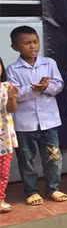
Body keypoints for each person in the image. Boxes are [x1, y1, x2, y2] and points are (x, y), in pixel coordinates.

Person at [7, 26, 67, 205]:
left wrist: (47, 87)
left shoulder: (49, 63)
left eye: (35, 42)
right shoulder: (13, 69)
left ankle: (53, 188)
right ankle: (31, 191)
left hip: (49, 121)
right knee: (26, 159)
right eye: (27, 43)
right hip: (24, 123)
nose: (33, 46)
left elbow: (59, 86)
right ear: (15, 46)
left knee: (53, 157)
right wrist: (36, 89)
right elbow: (15, 94)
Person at [0, 57, 18, 213]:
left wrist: (11, 98)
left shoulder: (7, 86)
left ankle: (0, 200)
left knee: (3, 172)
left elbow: (12, 110)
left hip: (4, 137)